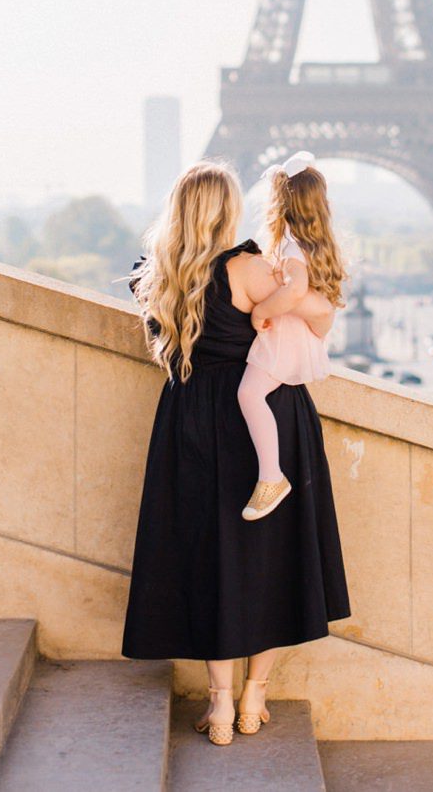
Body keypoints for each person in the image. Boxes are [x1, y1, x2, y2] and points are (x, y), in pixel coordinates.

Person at [121, 160, 350, 747]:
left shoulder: (155, 276)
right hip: (265, 417)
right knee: (270, 559)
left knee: (210, 558)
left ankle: (219, 705)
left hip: (190, 421)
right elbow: (320, 318)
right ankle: (255, 696)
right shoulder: (250, 268)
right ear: (228, 210)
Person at [238, 151, 347, 522]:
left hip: (283, 338)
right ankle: (271, 475)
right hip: (299, 337)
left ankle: (271, 476)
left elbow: (295, 291)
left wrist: (261, 311)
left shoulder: (289, 245)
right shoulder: (314, 244)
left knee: (249, 394)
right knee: (254, 394)